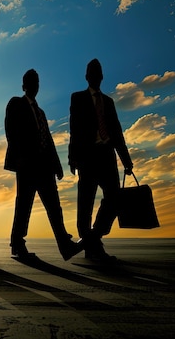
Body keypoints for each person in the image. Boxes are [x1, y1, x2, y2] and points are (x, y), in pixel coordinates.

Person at [4, 70, 82, 260]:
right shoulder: (16, 103)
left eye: (36, 82)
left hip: (44, 166)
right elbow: (11, 131)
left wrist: (57, 165)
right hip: (27, 165)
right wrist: (19, 158)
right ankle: (17, 243)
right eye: (30, 82)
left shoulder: (40, 112)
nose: (34, 85)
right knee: (24, 205)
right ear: (24, 86)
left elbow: (48, 139)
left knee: (54, 206)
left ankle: (64, 244)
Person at [69, 59, 133, 262]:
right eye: (92, 73)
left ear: (102, 77)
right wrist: (72, 158)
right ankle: (92, 247)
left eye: (99, 73)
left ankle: (92, 239)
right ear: (87, 77)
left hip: (107, 155)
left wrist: (126, 160)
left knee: (114, 200)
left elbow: (117, 132)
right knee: (85, 204)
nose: (96, 76)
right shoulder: (77, 98)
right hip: (88, 157)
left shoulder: (109, 102)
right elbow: (74, 130)